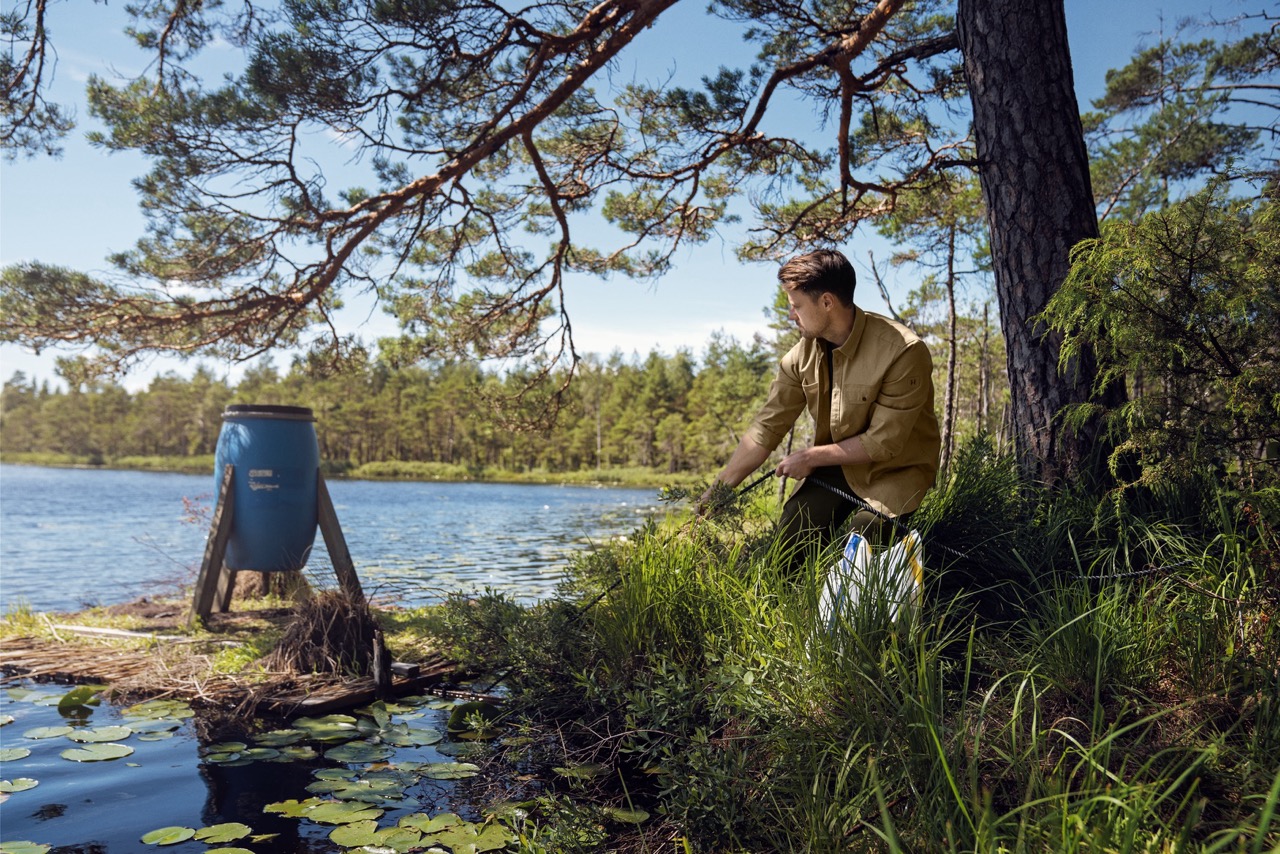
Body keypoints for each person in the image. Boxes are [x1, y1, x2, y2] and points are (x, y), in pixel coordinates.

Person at [702, 248, 941, 566]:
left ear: (827, 302)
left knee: (863, 543)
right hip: (838, 468)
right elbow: (767, 428)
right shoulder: (799, 358)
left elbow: (884, 443)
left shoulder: (904, 351)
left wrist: (811, 457)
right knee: (786, 550)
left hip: (897, 470)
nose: (791, 315)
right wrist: (721, 489)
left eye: (796, 306)